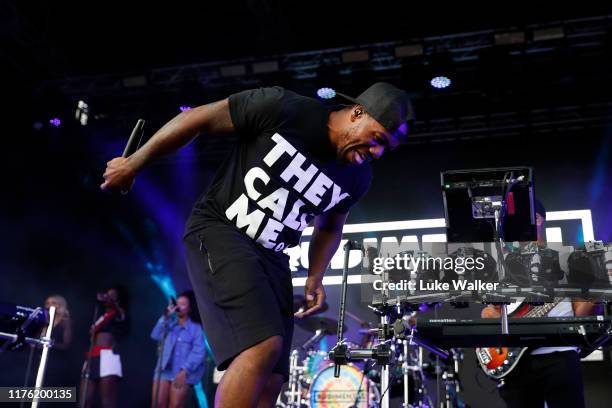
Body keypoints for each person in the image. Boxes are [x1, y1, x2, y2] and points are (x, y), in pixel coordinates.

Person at [101, 82, 414, 407]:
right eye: (377, 139)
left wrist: (315, 276)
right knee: (262, 346)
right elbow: (198, 119)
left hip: (272, 255)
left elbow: (331, 225)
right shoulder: (284, 109)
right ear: (357, 113)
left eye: (386, 149)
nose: (377, 153)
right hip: (222, 229)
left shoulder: (358, 177)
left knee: (273, 377)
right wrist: (134, 163)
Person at [482, 201, 599, 408]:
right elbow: (489, 311)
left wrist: (596, 293)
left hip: (559, 354)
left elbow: (581, 310)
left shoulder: (567, 257)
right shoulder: (502, 263)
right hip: (516, 362)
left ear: (537, 219)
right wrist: (502, 326)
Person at [151, 291, 206, 408]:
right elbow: (155, 335)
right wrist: (165, 317)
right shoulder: (169, 324)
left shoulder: (195, 328)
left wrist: (184, 370)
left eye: (183, 304)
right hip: (164, 370)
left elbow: (199, 352)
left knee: (175, 405)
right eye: (177, 303)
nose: (178, 306)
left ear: (189, 309)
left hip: (182, 372)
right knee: (157, 404)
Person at [80, 285, 129, 408]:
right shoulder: (101, 317)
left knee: (107, 402)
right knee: (84, 400)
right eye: (107, 295)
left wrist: (113, 303)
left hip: (107, 357)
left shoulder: (118, 313)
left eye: (112, 296)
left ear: (117, 300)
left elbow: (120, 315)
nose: (108, 297)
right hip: (91, 357)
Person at [43, 295, 73, 387]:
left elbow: (66, 345)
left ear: (60, 306)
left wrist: (50, 344)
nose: (49, 306)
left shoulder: (65, 322)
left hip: (56, 364)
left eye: (53, 303)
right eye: (47, 303)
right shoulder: (45, 321)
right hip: (40, 360)